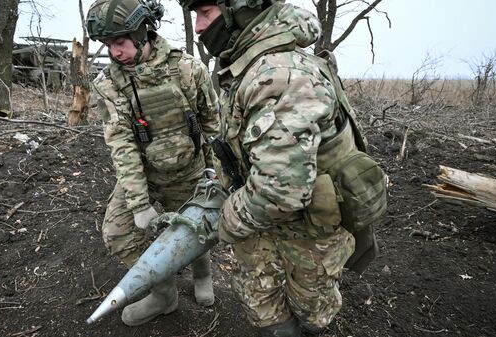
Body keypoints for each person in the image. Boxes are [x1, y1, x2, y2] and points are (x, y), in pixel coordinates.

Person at [176, 1, 384, 336]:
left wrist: (223, 221)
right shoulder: (253, 65)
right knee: (264, 310)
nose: (198, 27)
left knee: (313, 313)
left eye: (205, 13)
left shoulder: (278, 74)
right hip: (265, 221)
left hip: (306, 231)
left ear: (238, 12)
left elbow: (279, 190)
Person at [86, 0, 220, 327]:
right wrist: (138, 202)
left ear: (142, 32)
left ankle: (202, 272)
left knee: (196, 230)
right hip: (145, 175)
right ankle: (164, 293)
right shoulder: (110, 84)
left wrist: (216, 173)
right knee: (117, 234)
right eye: (108, 45)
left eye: (120, 42)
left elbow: (213, 123)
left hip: (189, 171)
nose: (114, 52)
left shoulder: (189, 69)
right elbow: (122, 143)